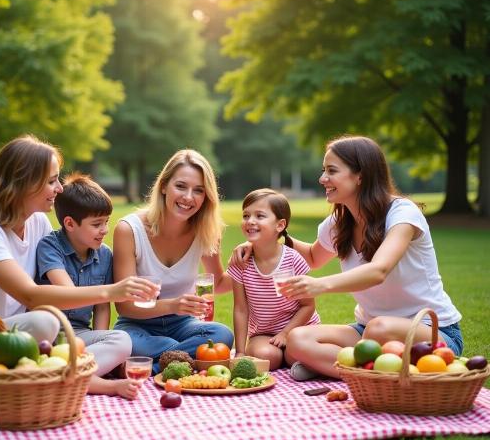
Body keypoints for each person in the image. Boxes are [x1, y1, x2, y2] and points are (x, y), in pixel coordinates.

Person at [0, 135, 158, 390]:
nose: (59, 188)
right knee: (44, 321)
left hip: (23, 337)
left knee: (120, 340)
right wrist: (112, 291)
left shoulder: (37, 222)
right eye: (51, 181)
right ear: (23, 183)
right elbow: (30, 296)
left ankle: (56, 378)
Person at [232, 135, 463, 380]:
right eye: (324, 171)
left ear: (360, 175)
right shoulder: (338, 223)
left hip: (430, 331)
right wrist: (262, 239)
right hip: (366, 331)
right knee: (297, 339)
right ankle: (374, 372)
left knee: (380, 328)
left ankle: (339, 366)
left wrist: (320, 284)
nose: (323, 179)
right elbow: (312, 256)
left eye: (331, 171)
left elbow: (378, 270)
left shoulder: (402, 214)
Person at [113, 149, 234, 374]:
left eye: (198, 190)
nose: (188, 197)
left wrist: (248, 260)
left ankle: (152, 367)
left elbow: (217, 283)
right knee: (125, 342)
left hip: (183, 325)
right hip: (138, 326)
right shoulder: (129, 230)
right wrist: (172, 305)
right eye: (180, 186)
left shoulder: (206, 231)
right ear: (163, 186)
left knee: (222, 335)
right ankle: (185, 359)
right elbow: (124, 305)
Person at [36, 172, 142, 400]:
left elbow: (102, 307)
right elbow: (67, 293)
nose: (104, 230)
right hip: (51, 335)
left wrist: (101, 337)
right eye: (96, 224)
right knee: (85, 349)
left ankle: (61, 373)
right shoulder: (49, 246)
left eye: (106, 222)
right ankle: (103, 384)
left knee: (122, 340)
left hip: (82, 336)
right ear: (70, 224)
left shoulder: (105, 255)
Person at [227, 189, 320, 370]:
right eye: (246, 215)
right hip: (264, 333)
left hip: (299, 329)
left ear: (280, 225)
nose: (250, 221)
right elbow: (240, 309)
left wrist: (286, 333)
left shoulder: (293, 260)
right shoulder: (240, 263)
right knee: (268, 357)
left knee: (296, 351)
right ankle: (299, 363)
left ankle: (297, 359)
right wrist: (239, 352)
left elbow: (308, 306)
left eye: (260, 216)